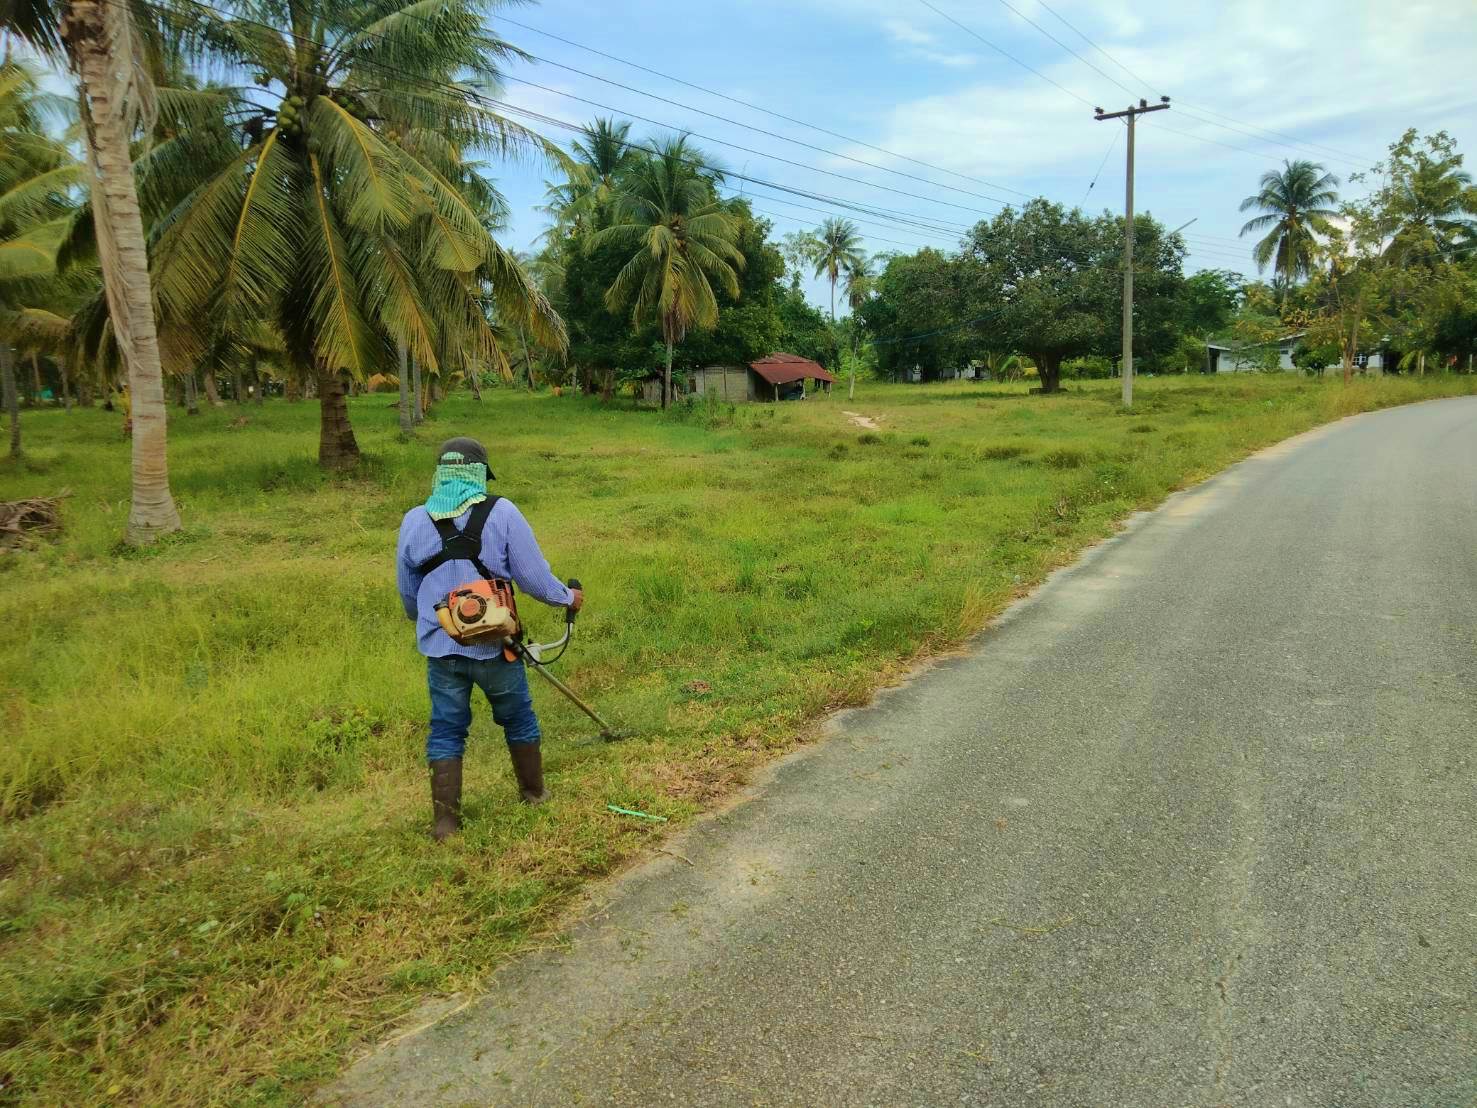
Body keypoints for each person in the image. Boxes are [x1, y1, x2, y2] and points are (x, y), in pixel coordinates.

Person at [396, 437, 583, 841]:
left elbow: (409, 595)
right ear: (479, 474)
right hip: (497, 647)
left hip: (442, 649)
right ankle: (533, 794)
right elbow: (534, 579)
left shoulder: (413, 520)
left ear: (441, 475)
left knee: (446, 728)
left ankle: (445, 822)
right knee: (517, 716)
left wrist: (429, 623)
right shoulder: (502, 512)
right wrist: (568, 597)